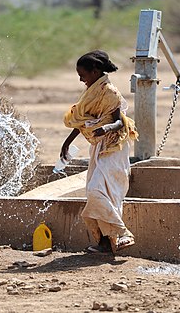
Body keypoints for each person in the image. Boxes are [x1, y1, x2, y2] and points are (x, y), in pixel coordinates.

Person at [60, 50, 138, 254]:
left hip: (113, 147)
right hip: (97, 145)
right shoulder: (91, 91)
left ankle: (123, 233)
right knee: (95, 193)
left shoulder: (109, 91)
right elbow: (84, 119)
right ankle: (105, 242)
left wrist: (106, 128)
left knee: (98, 191)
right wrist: (67, 142)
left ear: (95, 71)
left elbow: (119, 121)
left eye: (82, 74)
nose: (80, 79)